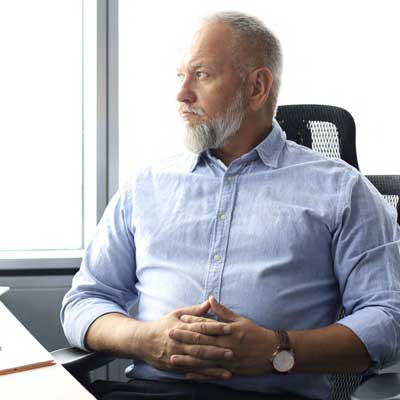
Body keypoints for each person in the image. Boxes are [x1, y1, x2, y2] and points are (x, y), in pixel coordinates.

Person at [61, 11, 400, 400]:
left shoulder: (343, 191)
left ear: (257, 87)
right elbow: (84, 301)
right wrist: (144, 339)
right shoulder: (145, 187)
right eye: (180, 76)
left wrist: (278, 349)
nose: (182, 93)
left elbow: (388, 320)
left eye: (201, 75)